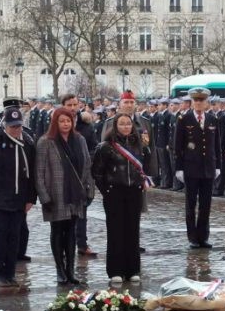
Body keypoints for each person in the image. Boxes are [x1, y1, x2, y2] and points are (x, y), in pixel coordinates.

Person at [0, 106, 37, 287]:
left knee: (15, 236)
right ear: (5, 125)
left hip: (19, 198)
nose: (16, 129)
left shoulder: (27, 143)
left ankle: (10, 273)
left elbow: (32, 173)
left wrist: (31, 198)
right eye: (13, 126)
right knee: (1, 234)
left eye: (19, 126)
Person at [35, 106, 95, 285]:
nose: (66, 124)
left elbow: (87, 165)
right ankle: (59, 269)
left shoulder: (80, 140)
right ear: (55, 122)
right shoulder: (46, 141)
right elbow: (39, 171)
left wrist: (89, 190)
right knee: (57, 231)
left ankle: (70, 269)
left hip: (76, 193)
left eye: (68, 121)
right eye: (62, 121)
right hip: (55, 193)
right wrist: (44, 196)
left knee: (71, 231)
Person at [92, 113, 147, 284]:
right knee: (115, 231)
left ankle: (133, 269)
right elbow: (97, 172)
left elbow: (142, 167)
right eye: (122, 124)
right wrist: (107, 191)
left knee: (133, 230)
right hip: (114, 191)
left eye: (128, 124)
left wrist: (140, 184)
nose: (125, 127)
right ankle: (115, 270)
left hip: (134, 192)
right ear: (115, 126)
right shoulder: (106, 147)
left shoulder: (138, 145)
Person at [174, 87, 221, 248]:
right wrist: (179, 168)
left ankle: (203, 236)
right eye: (196, 100)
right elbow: (178, 146)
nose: (199, 103)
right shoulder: (184, 119)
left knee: (206, 204)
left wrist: (218, 165)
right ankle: (192, 237)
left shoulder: (212, 119)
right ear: (192, 102)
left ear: (206, 102)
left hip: (208, 167)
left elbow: (217, 145)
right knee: (191, 204)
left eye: (202, 100)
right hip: (191, 167)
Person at [61, 93, 98, 258]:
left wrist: (86, 158)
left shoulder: (86, 126)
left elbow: (94, 147)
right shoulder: (56, 124)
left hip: (81, 174)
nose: (72, 108)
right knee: (63, 213)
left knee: (82, 211)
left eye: (75, 105)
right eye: (69, 105)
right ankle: (64, 245)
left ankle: (82, 244)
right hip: (63, 175)